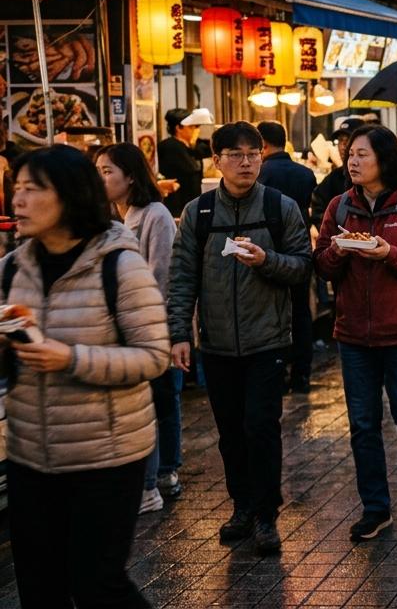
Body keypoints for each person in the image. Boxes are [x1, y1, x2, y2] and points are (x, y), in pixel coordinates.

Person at [4, 146, 170, 607]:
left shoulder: (120, 265)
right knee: (40, 590)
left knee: (98, 585)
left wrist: (71, 358)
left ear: (70, 196)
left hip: (105, 456)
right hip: (29, 455)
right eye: (15, 188)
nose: (17, 201)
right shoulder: (14, 268)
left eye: (32, 190)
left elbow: (153, 357)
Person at [166, 122, 314, 556]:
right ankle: (243, 507)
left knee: (261, 429)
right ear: (218, 161)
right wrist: (180, 334)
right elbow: (182, 277)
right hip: (216, 343)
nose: (246, 161)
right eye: (235, 154)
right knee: (230, 434)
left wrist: (267, 260)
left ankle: (267, 515)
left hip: (267, 340)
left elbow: (304, 266)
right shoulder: (200, 212)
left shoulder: (278, 207)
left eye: (253, 153)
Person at [315, 126, 397, 542]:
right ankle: (376, 508)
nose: (352, 162)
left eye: (362, 155)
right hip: (354, 334)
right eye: (350, 155)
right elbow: (320, 263)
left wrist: (389, 253)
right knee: (363, 424)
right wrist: (336, 251)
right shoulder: (339, 207)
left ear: (385, 160)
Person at [94, 143, 182, 515]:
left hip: (152, 323)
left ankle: (165, 472)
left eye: (107, 171)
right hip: (123, 327)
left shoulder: (155, 214)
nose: (101, 179)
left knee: (162, 399)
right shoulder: (112, 216)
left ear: (130, 176)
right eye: (98, 171)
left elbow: (161, 274)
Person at [258, 121, 319, 393]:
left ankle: (278, 372)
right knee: (301, 312)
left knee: (274, 313)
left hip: (269, 253)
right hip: (300, 250)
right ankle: (302, 374)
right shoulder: (305, 174)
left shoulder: (261, 174)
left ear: (262, 144)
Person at [158, 107, 213, 216]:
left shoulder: (191, 145)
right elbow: (193, 168)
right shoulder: (171, 146)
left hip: (192, 203)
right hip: (177, 205)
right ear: (179, 127)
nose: (196, 130)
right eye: (192, 127)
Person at [311, 120, 364, 228]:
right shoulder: (335, 176)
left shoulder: (373, 178)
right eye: (340, 140)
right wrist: (333, 230)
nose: (343, 146)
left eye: (348, 140)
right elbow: (317, 203)